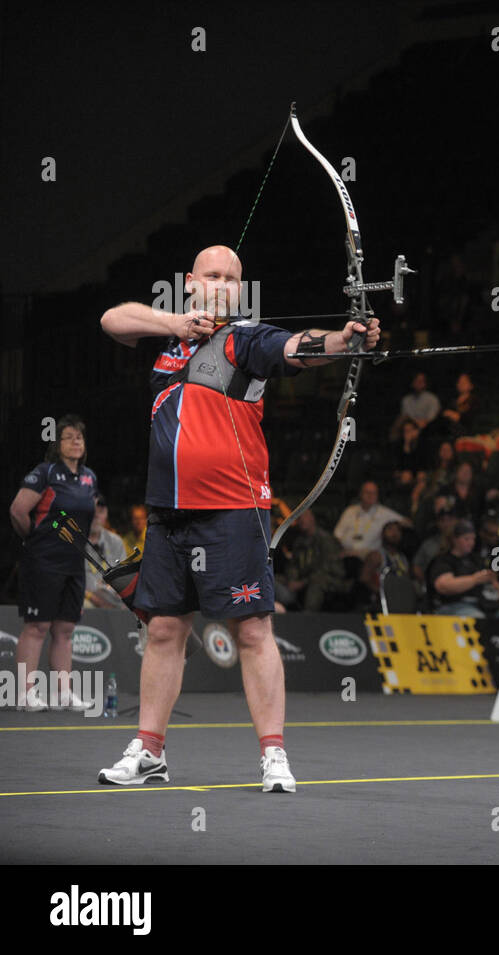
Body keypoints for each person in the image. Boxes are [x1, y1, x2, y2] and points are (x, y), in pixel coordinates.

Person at [95, 244, 380, 791]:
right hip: (168, 513)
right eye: (212, 275)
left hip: (232, 509)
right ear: (190, 282)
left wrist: (347, 340)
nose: (222, 284)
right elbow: (112, 319)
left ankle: (274, 756)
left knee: (252, 630)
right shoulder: (170, 340)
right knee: (163, 629)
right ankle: (149, 752)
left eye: (231, 278)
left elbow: (298, 348)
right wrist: (175, 323)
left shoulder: (245, 338)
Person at [7, 415, 99, 710]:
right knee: (37, 626)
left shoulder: (89, 478)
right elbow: (18, 510)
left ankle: (63, 693)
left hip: (74, 562)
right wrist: (33, 539)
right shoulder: (44, 473)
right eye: (69, 437)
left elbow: (90, 517)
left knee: (65, 629)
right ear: (57, 444)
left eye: (80, 437)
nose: (75, 441)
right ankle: (24, 693)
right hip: (43, 561)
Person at [276, 509, 346, 612]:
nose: (301, 521)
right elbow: (293, 565)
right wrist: (292, 579)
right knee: (273, 579)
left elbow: (326, 568)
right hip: (303, 578)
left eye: (304, 517)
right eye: (299, 518)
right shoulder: (299, 541)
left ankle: (308, 618)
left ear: (312, 518)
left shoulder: (325, 540)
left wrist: (301, 583)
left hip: (330, 578)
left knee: (316, 583)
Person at [429, 520, 499, 617]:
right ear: (455, 539)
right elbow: (443, 585)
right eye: (466, 539)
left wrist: (494, 582)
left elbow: (493, 584)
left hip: (481, 603)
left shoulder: (476, 560)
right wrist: (474, 579)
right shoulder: (443, 560)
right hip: (452, 605)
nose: (471, 542)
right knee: (478, 618)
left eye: (473, 539)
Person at [334, 480, 410, 560]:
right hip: (345, 553)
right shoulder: (350, 511)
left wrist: (395, 531)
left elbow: (407, 523)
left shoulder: (384, 512)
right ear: (360, 494)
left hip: (368, 555)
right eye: (367, 492)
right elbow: (337, 535)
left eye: (374, 493)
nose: (370, 495)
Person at [83, 496, 128, 609]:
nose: (96, 516)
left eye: (101, 512)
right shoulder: (73, 540)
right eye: (92, 511)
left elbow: (124, 579)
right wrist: (94, 599)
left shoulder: (116, 542)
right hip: (86, 600)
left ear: (106, 514)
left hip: (113, 600)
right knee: (86, 605)